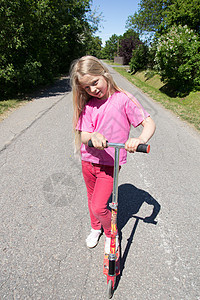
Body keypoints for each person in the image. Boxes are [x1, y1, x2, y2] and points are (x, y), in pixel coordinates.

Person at [70, 56, 156, 253]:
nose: (92, 89)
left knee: (100, 205)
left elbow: (149, 123)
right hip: (88, 161)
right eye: (87, 88)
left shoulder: (123, 99)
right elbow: (83, 135)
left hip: (109, 163)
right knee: (91, 199)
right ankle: (95, 228)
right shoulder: (90, 105)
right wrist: (93, 136)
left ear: (104, 73)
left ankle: (111, 233)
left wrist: (140, 140)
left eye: (95, 82)